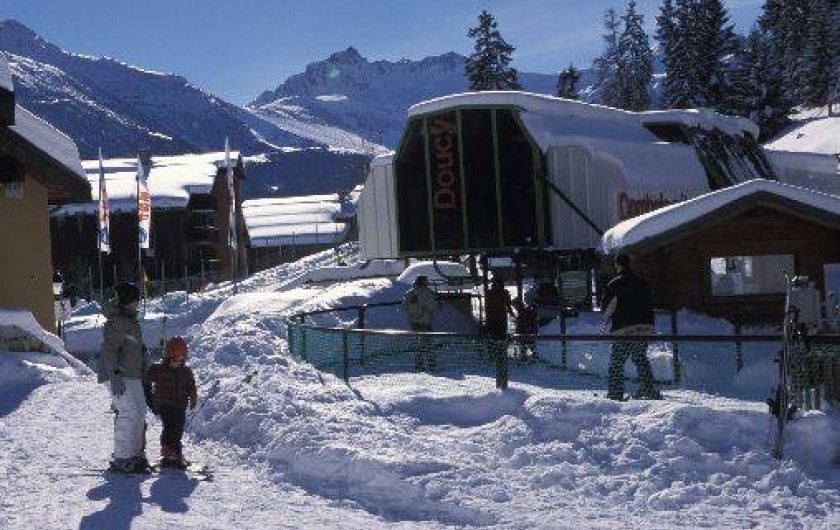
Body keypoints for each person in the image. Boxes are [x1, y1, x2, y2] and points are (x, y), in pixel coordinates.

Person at [98, 282, 152, 473]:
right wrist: (114, 377)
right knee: (128, 412)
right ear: (128, 301)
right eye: (136, 300)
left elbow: (134, 346)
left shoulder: (131, 321)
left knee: (140, 412)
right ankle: (122, 457)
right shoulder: (118, 321)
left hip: (132, 374)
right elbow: (109, 350)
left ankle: (135, 454)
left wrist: (145, 358)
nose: (138, 303)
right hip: (118, 375)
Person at [601, 253, 661, 401]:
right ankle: (649, 389)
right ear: (630, 264)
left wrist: (608, 319)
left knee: (617, 361)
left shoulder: (614, 285)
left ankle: (615, 392)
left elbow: (607, 309)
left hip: (624, 329)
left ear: (618, 265)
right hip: (644, 328)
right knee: (640, 358)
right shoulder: (643, 284)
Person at [145, 336, 198, 469]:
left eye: (180, 359)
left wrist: (194, 398)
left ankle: (177, 454)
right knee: (170, 428)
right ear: (168, 356)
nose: (177, 362)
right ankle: (168, 453)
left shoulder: (186, 372)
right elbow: (146, 377)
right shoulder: (159, 369)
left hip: (180, 405)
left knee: (178, 428)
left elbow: (191, 386)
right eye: (174, 359)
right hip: (165, 405)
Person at [402, 275, 437, 369]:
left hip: (414, 322)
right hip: (426, 322)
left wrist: (413, 310)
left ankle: (419, 363)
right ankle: (431, 363)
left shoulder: (410, 292)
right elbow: (432, 307)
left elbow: (404, 305)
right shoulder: (428, 293)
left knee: (418, 344)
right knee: (429, 344)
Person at [485, 276, 513, 388]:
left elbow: (488, 306)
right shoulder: (504, 293)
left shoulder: (489, 293)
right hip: (500, 320)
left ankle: (493, 354)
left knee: (493, 338)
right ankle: (501, 355)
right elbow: (508, 305)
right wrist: (512, 314)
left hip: (491, 319)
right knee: (501, 338)